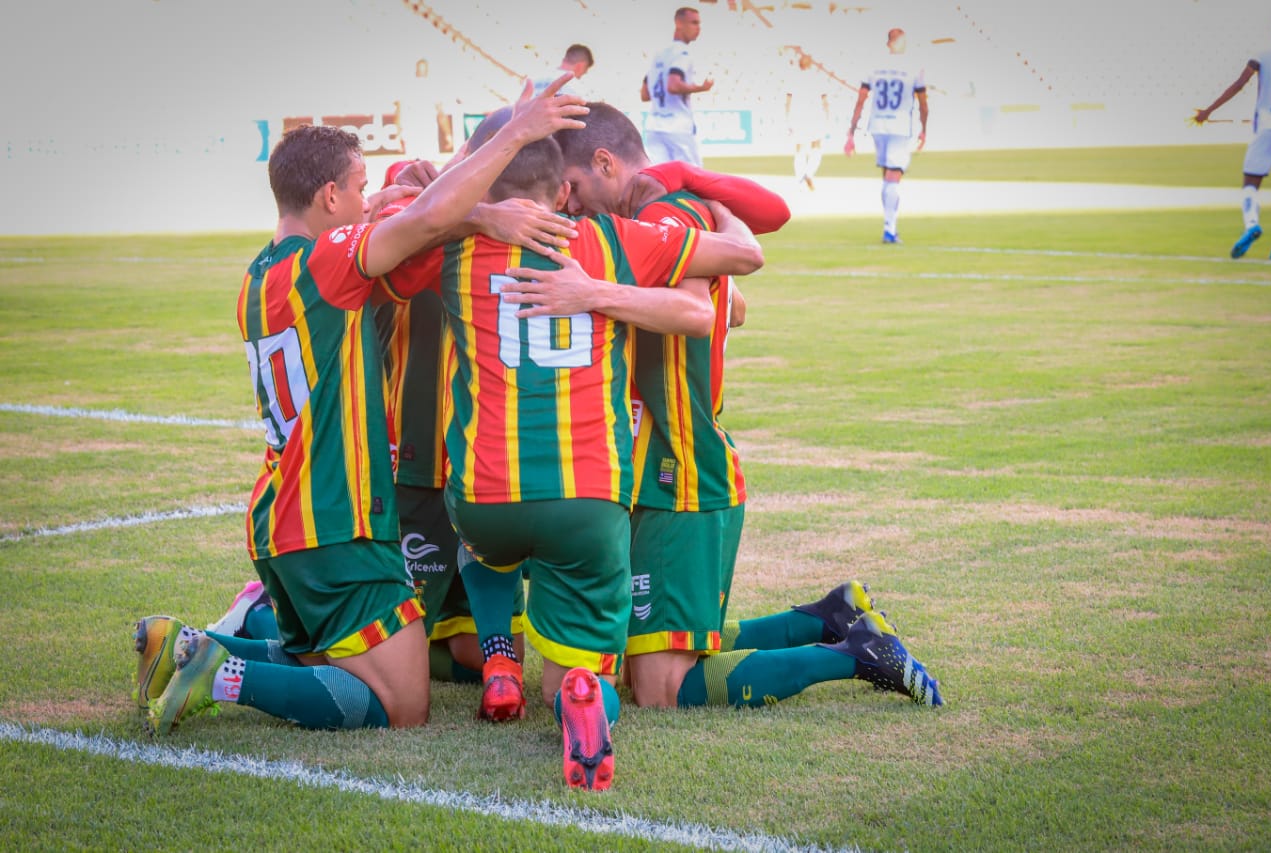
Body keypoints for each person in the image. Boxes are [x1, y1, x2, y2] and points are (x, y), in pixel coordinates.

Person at [131, 79, 589, 736]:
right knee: (402, 703)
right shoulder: (326, 263)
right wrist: (513, 136)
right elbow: (424, 220)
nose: (366, 200)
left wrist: (477, 163)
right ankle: (222, 675)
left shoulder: (261, 275)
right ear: (328, 197)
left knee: (319, 657)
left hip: (281, 519)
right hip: (332, 522)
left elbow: (417, 229)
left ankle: (187, 647)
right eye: (358, 188)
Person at [375, 121, 766, 789]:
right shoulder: (612, 238)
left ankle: (500, 656)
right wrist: (714, 205)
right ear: (562, 191)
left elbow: (395, 220)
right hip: (589, 502)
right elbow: (741, 260)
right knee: (577, 666)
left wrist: (471, 210)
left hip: (483, 497)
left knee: (483, 545)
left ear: (486, 185)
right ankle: (581, 694)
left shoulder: (453, 247)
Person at [548, 103, 943, 712]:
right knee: (649, 652)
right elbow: (736, 307)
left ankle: (855, 655)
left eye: (572, 187)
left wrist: (594, 294)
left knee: (658, 688)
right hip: (673, 454)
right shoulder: (673, 213)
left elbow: (702, 312)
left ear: (605, 163)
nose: (569, 204)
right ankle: (828, 616)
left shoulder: (662, 216)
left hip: (680, 464)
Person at [1194, 16, 1271, 261]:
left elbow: (1239, 84)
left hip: (1267, 126)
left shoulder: (1264, 53)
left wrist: (1208, 111)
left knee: (1250, 184)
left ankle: (1252, 223)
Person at [843, 27, 928, 244]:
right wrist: (923, 128)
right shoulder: (914, 67)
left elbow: (861, 99)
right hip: (900, 127)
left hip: (878, 126)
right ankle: (890, 229)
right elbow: (923, 103)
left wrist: (851, 132)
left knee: (887, 177)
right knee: (893, 178)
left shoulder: (874, 66)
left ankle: (889, 225)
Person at [641, 7, 714, 165]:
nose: (698, 28)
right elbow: (673, 86)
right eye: (694, 22)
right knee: (693, 180)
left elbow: (645, 95)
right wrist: (702, 87)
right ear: (678, 23)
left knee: (660, 180)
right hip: (678, 127)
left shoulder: (658, 55)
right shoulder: (683, 53)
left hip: (654, 126)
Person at [785, 52, 831, 191]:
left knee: (799, 148)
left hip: (798, 116)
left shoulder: (793, 78)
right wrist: (827, 117)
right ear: (810, 64)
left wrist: (787, 119)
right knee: (816, 146)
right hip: (814, 116)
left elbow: (788, 101)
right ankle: (809, 173)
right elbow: (825, 101)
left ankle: (800, 177)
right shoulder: (817, 78)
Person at [530, 44, 595, 99]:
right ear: (580, 66)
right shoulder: (578, 89)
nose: (585, 73)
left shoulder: (534, 79)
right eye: (585, 69)